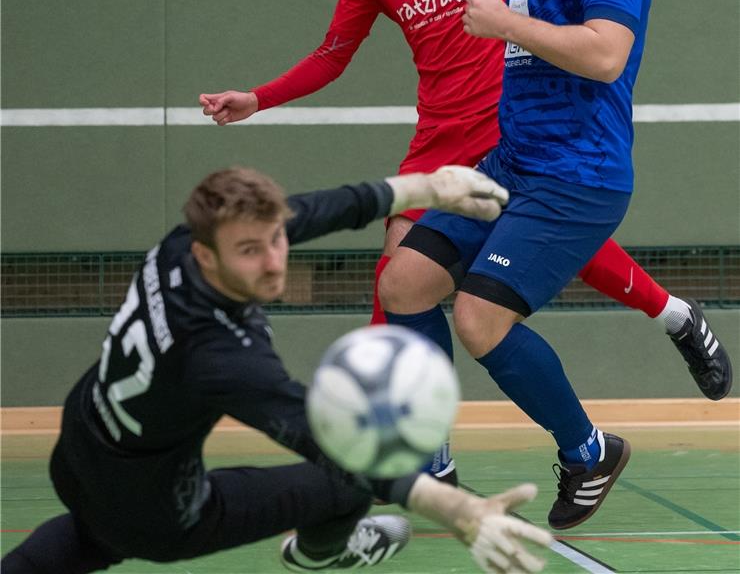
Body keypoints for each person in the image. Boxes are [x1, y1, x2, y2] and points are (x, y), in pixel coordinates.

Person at [197, 0, 726, 430]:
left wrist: (575, 29)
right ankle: (432, 452)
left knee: (539, 244)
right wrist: (259, 97)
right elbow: (332, 55)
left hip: (505, 128)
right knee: (399, 284)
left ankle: (409, 450)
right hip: (438, 141)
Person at [377, 0, 732, 532]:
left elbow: (604, 55)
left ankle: (589, 451)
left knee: (479, 316)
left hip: (578, 178)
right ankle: (429, 460)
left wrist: (506, 25)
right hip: (512, 166)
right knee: (402, 281)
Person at [1, 164, 553, 574]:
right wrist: (457, 508)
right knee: (343, 484)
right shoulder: (221, 355)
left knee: (91, 531)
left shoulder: (177, 245)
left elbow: (320, 208)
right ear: (207, 257)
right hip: (158, 509)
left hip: (78, 450)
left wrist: (430, 189)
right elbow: (327, 439)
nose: (273, 261)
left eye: (275, 241)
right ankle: (321, 553)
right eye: (250, 251)